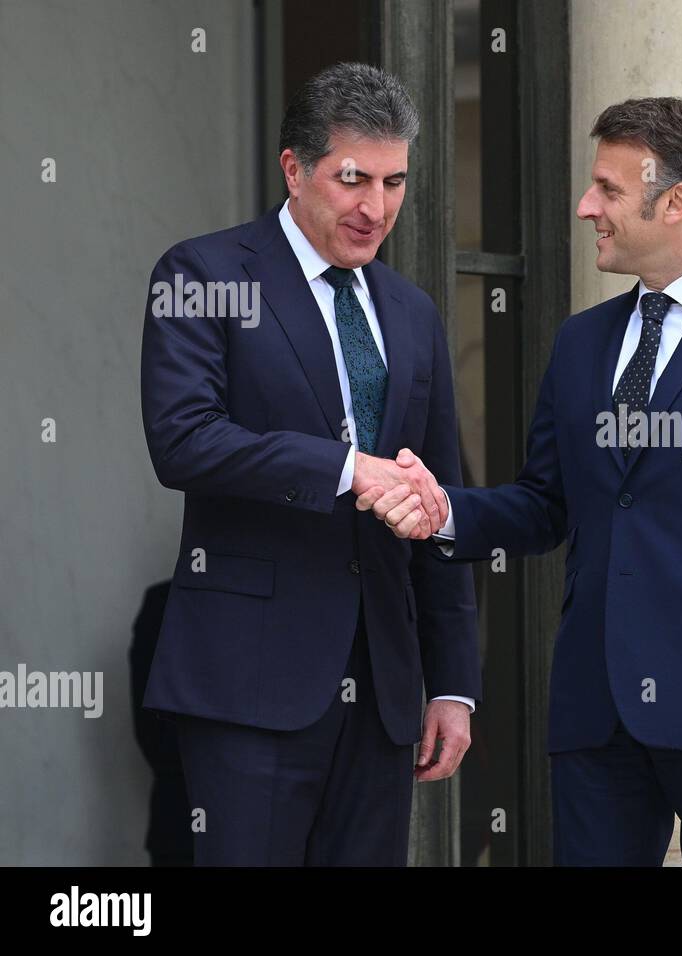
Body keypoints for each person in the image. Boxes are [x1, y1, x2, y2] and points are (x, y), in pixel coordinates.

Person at [368, 96, 682, 866]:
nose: (584, 207)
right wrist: (440, 513)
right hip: (595, 709)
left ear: (676, 202)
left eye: (606, 188)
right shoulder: (581, 342)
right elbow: (544, 505)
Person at [139, 62, 479, 865]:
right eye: (353, 179)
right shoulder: (204, 275)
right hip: (250, 680)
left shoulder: (413, 311)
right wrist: (347, 468)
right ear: (294, 168)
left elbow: (441, 500)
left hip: (388, 689)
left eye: (395, 182)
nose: (376, 208)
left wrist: (455, 683)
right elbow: (182, 439)